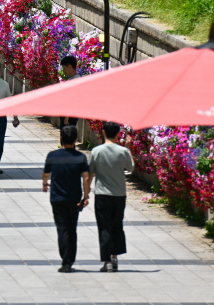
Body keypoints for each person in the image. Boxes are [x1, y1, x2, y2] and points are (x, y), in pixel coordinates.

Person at [42, 125, 91, 273]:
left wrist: (45, 184)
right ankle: (69, 260)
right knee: (72, 228)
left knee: (62, 229)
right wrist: (86, 195)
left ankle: (65, 260)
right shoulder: (80, 158)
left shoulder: (52, 155)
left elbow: (45, 174)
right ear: (76, 140)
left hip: (57, 198)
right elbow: (86, 178)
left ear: (61, 138)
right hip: (74, 198)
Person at [88, 122, 134, 272]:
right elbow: (130, 168)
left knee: (104, 227)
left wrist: (86, 192)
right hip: (119, 194)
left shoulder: (96, 151)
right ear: (118, 133)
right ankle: (115, 257)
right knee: (117, 225)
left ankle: (107, 261)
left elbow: (90, 172)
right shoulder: (122, 151)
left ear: (103, 132)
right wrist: (128, 147)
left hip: (102, 194)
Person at [59, 56, 81, 129]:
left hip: (69, 117)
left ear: (70, 66)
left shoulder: (76, 81)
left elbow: (73, 100)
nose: (64, 71)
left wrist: (67, 117)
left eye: (64, 68)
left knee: (67, 137)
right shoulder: (71, 79)